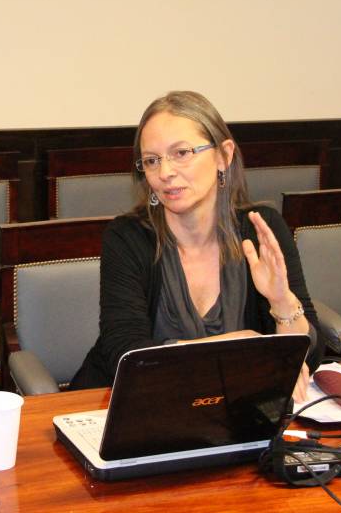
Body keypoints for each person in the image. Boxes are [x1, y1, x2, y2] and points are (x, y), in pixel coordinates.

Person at [70, 91, 321, 400]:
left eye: (182, 153)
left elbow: (307, 358)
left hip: (231, 406)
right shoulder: (128, 237)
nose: (165, 173)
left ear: (223, 155)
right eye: (152, 161)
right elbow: (127, 355)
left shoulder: (260, 229)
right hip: (128, 404)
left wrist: (282, 302)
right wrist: (237, 346)